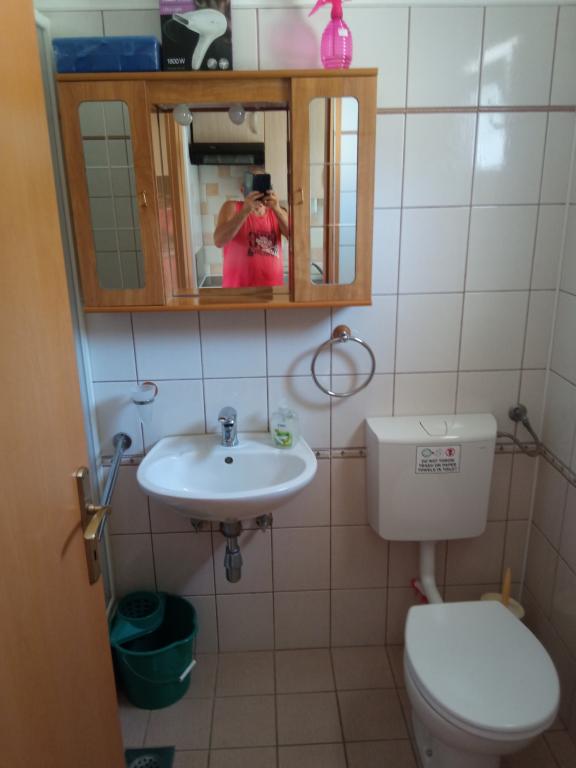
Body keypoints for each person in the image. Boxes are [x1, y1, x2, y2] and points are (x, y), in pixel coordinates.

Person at [213, 170, 289, 288]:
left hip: (272, 292)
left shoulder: (278, 211)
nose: (258, 192)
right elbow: (218, 241)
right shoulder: (231, 207)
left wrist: (277, 209)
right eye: (254, 186)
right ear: (243, 190)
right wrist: (245, 210)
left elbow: (296, 240)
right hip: (238, 292)